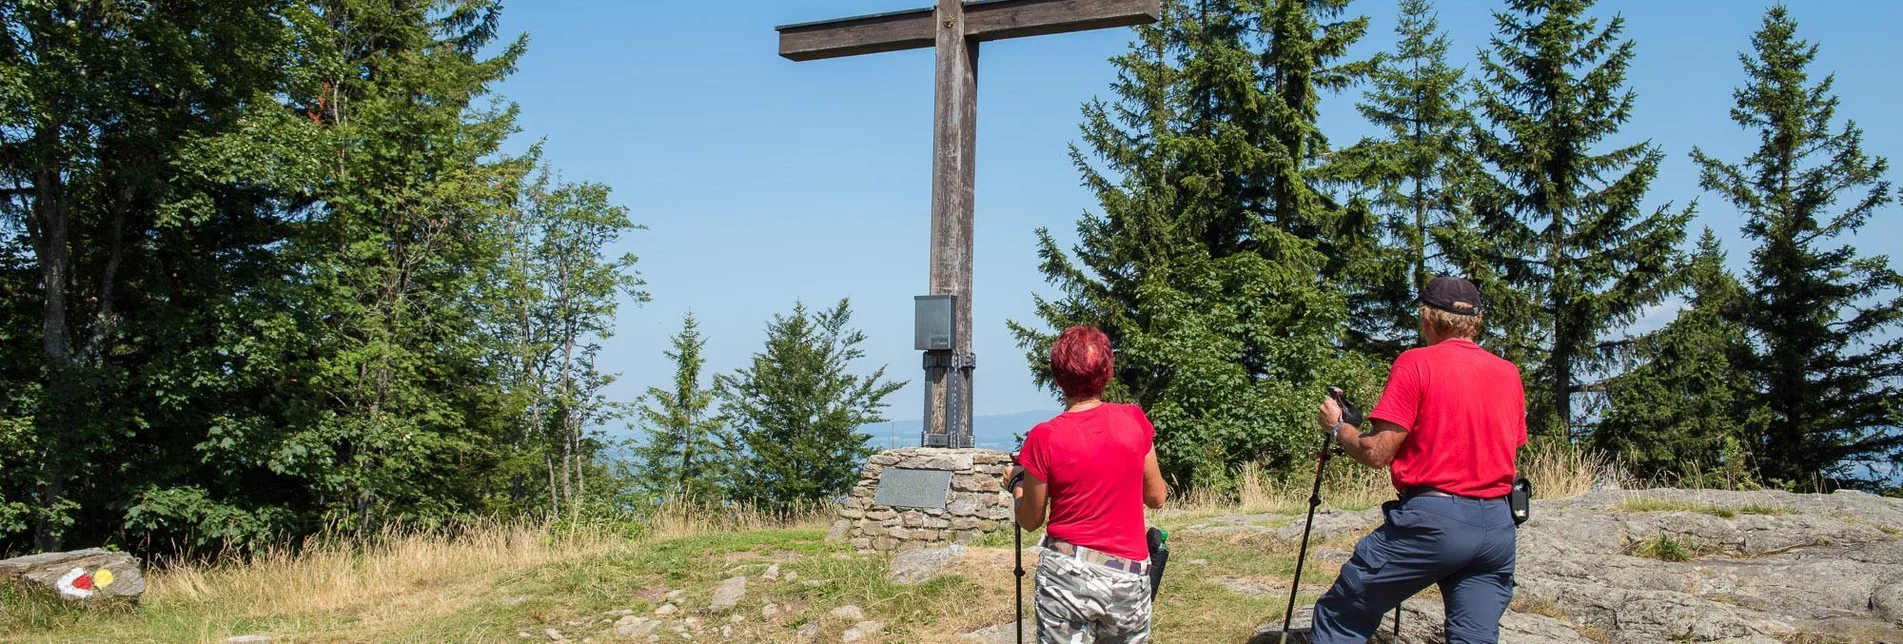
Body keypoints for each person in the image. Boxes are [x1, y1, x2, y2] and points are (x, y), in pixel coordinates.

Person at [1308, 276, 1528, 644]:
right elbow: (1509, 444)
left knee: (1340, 614)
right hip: (1497, 526)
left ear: (1427, 318)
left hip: (1434, 521)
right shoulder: (1508, 373)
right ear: (1476, 321)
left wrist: (1338, 428)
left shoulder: (1416, 364)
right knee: (1474, 637)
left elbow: (1377, 452)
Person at [1007, 325, 1169, 644]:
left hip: (1066, 572)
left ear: (1057, 377)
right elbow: (1157, 497)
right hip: (1128, 573)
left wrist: (1016, 483)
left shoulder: (1044, 437)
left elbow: (1029, 520)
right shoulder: (1135, 421)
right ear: (1107, 372)